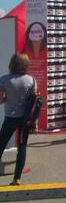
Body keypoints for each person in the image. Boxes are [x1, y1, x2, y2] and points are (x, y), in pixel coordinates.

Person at [0, 53, 36, 186]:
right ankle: (17, 178)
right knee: (22, 146)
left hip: (10, 118)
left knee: (1, 143)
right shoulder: (31, 80)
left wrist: (7, 99)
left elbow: (0, 99)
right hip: (24, 119)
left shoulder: (4, 79)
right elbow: (33, 101)